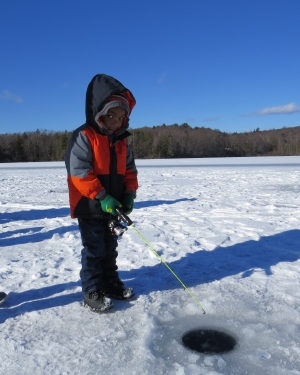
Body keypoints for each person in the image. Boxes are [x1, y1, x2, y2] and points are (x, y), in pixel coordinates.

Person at [65, 74, 138, 313]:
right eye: (111, 115)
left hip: (114, 205)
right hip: (91, 205)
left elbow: (129, 171)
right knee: (95, 249)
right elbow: (79, 173)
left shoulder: (122, 141)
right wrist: (102, 196)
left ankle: (110, 283)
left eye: (121, 116)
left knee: (110, 247)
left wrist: (129, 194)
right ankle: (92, 289)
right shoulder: (84, 136)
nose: (117, 121)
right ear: (98, 112)